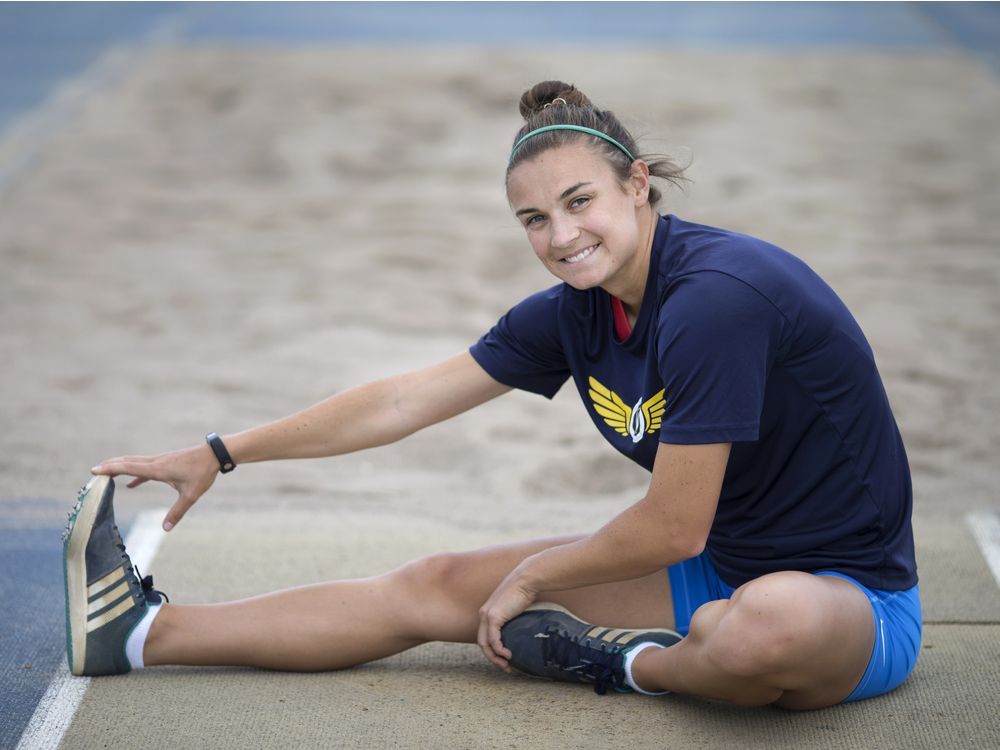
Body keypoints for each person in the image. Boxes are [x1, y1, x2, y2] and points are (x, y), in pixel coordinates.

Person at [66, 80, 920, 709]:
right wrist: (221, 453)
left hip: (849, 598)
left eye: (579, 201)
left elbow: (672, 523)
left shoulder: (717, 299)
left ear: (638, 185)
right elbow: (402, 403)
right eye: (534, 220)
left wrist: (535, 578)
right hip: (718, 571)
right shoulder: (575, 313)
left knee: (768, 627)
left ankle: (625, 665)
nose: (561, 236)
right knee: (437, 584)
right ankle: (140, 634)